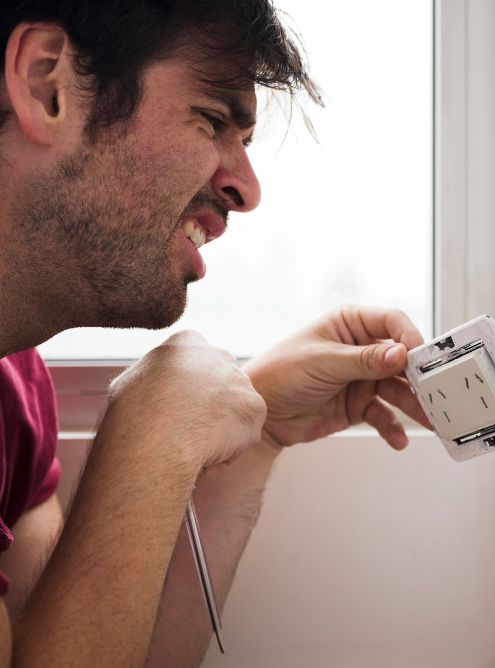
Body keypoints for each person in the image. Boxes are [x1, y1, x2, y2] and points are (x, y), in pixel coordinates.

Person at [0, 2, 431, 665]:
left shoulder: (15, 389)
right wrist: (149, 436)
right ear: (46, 83)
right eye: (212, 120)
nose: (247, 189)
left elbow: (70, 646)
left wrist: (251, 432)